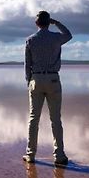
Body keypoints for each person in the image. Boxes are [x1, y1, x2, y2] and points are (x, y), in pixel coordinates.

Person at [23, 11, 72, 165]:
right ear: (48, 22)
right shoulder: (56, 38)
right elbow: (68, 34)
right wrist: (56, 22)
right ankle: (59, 155)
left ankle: (30, 154)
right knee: (55, 118)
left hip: (36, 79)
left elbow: (27, 65)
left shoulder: (31, 40)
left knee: (33, 119)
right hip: (52, 79)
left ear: (37, 24)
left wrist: (28, 82)